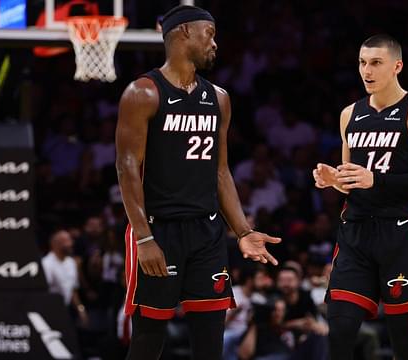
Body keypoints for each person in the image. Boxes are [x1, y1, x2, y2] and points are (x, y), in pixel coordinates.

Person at [115, 5, 281, 360]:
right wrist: (143, 238)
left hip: (207, 233)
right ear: (184, 32)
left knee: (210, 343)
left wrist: (244, 230)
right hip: (159, 230)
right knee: (148, 339)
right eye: (210, 33)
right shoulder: (143, 92)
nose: (215, 43)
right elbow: (126, 168)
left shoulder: (219, 98)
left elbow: (221, 171)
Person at [312, 34, 408, 360]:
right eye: (362, 62)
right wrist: (334, 181)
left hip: (400, 230)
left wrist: (375, 180)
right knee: (339, 328)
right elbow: (352, 180)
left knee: (402, 337)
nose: (366, 70)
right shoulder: (349, 114)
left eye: (375, 63)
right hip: (356, 231)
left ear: (397, 66)